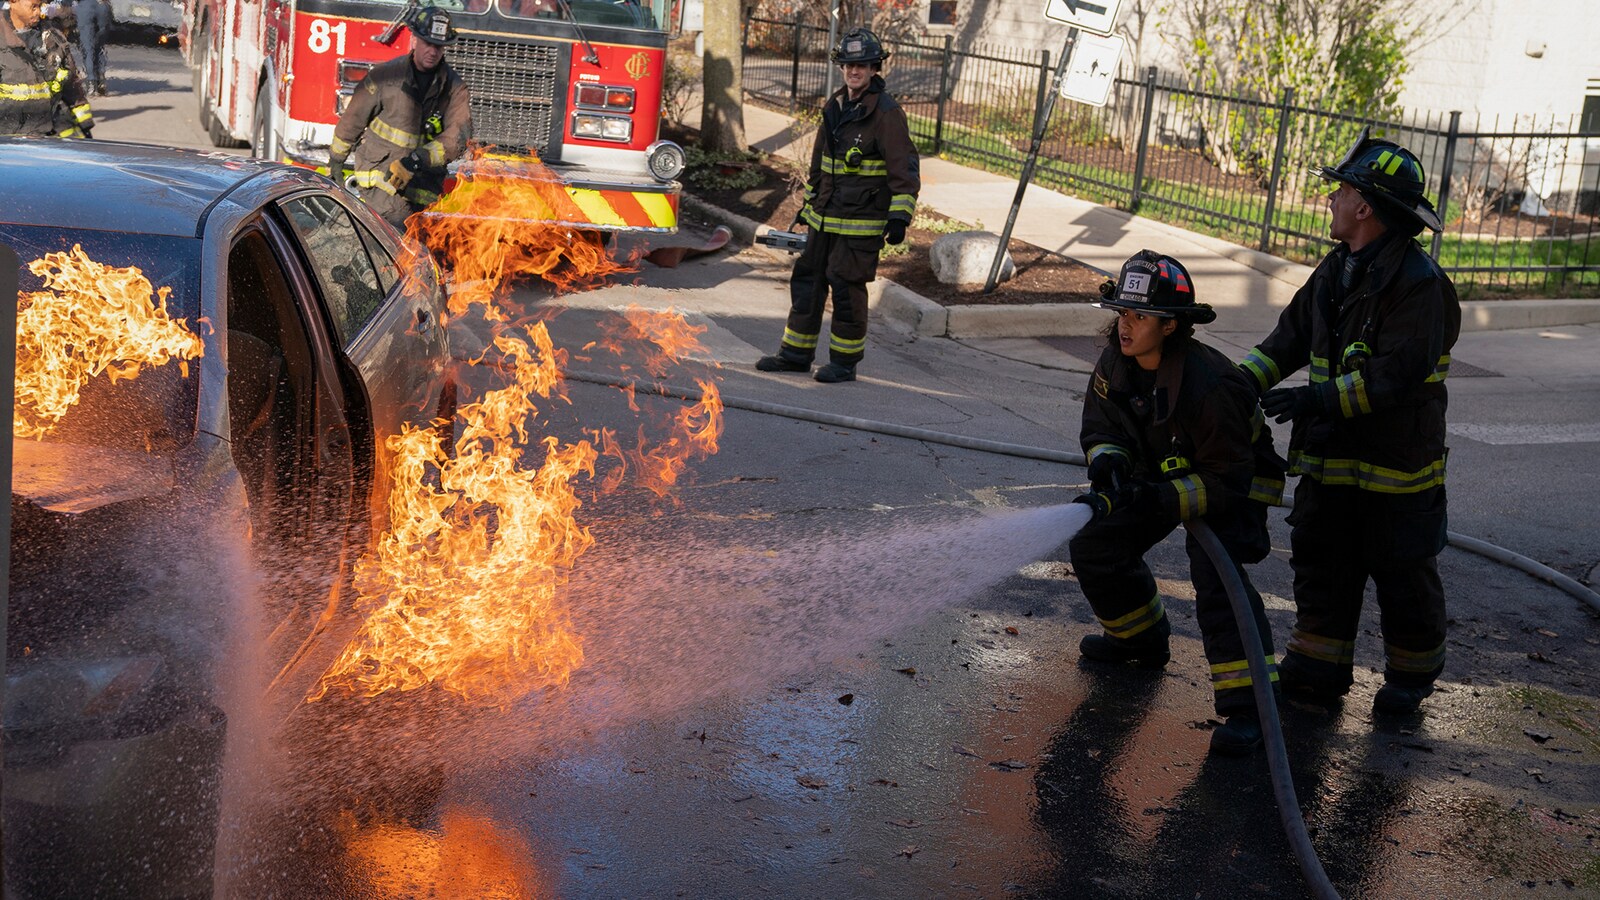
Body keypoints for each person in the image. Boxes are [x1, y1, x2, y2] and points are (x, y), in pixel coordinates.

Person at [1237, 128, 1460, 716]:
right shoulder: (1335, 272)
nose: (1330, 201)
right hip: (1331, 456)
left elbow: (1395, 377)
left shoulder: (1420, 287)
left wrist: (1315, 402)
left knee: (1402, 573)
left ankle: (1411, 678)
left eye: (1339, 193)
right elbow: (1284, 342)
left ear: (1365, 206)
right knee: (1322, 561)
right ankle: (1317, 667)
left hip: (1396, 466)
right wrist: (1239, 386)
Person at [1070, 250, 1286, 755]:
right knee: (1096, 541)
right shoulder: (1114, 363)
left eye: (1140, 316)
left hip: (1235, 483)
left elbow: (1228, 479)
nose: (1126, 326)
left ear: (1170, 327)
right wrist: (1109, 461)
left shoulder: (1210, 384)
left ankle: (1252, 707)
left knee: (1216, 575)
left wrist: (1159, 499)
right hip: (1161, 471)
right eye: (1123, 313)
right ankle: (1139, 641)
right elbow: (1102, 426)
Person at [755, 27, 919, 384]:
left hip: (860, 222)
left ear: (875, 68)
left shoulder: (887, 114)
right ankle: (795, 354)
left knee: (846, 289)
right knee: (808, 282)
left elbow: (904, 169)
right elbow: (821, 162)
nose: (853, 71)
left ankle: (844, 363)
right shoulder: (836, 104)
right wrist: (812, 198)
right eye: (848, 65)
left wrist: (899, 217)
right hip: (825, 216)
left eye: (861, 65)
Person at [326, 5, 472, 230]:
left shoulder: (454, 89)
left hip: (423, 187)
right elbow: (354, 118)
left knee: (414, 247)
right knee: (396, 238)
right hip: (380, 179)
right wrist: (336, 159)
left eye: (439, 47)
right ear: (414, 40)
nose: (433, 51)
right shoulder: (385, 77)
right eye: (428, 43)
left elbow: (459, 137)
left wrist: (418, 159)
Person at [0, 0, 93, 137]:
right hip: (8, 139)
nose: (39, 12)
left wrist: (85, 126)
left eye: (40, 6)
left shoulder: (52, 38)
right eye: (33, 6)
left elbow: (71, 82)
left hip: (49, 134)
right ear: (13, 2)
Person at [72, 0, 109, 96]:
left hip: (85, 7)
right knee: (99, 46)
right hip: (102, 6)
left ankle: (92, 83)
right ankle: (101, 79)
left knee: (88, 48)